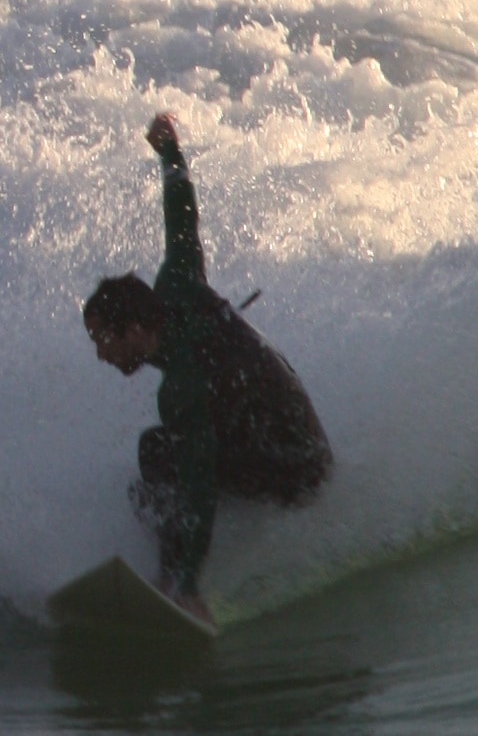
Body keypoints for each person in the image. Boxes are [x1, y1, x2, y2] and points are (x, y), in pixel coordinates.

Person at [83, 113, 331, 602]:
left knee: (159, 459)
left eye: (103, 341)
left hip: (296, 467)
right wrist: (170, 152)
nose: (100, 355)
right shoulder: (177, 283)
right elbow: (181, 220)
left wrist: (191, 582)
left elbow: (196, 488)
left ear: (134, 330)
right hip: (302, 438)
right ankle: (173, 576)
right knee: (158, 464)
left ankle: (176, 586)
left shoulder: (183, 386)